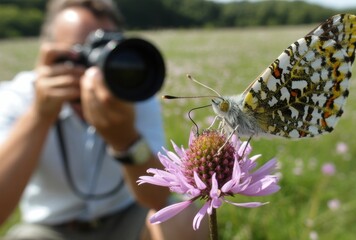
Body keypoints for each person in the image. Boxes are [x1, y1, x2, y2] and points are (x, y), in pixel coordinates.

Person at [0, 0, 208, 239]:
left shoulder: (134, 92)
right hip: (52, 228)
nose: (95, 70)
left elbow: (159, 198)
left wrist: (127, 141)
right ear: (50, 53)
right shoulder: (19, 96)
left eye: (107, 51)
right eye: (80, 53)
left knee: (182, 219)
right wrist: (39, 114)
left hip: (127, 217)